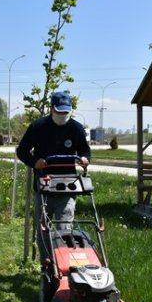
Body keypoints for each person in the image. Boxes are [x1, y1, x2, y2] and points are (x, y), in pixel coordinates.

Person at [17, 91, 91, 262]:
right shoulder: (38, 127)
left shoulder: (76, 128)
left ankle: (63, 264)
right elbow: (22, 151)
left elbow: (85, 151)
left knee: (65, 228)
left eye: (66, 112)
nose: (63, 116)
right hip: (44, 187)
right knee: (43, 228)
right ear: (51, 109)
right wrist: (35, 162)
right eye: (59, 112)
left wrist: (85, 159)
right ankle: (47, 265)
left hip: (68, 187)